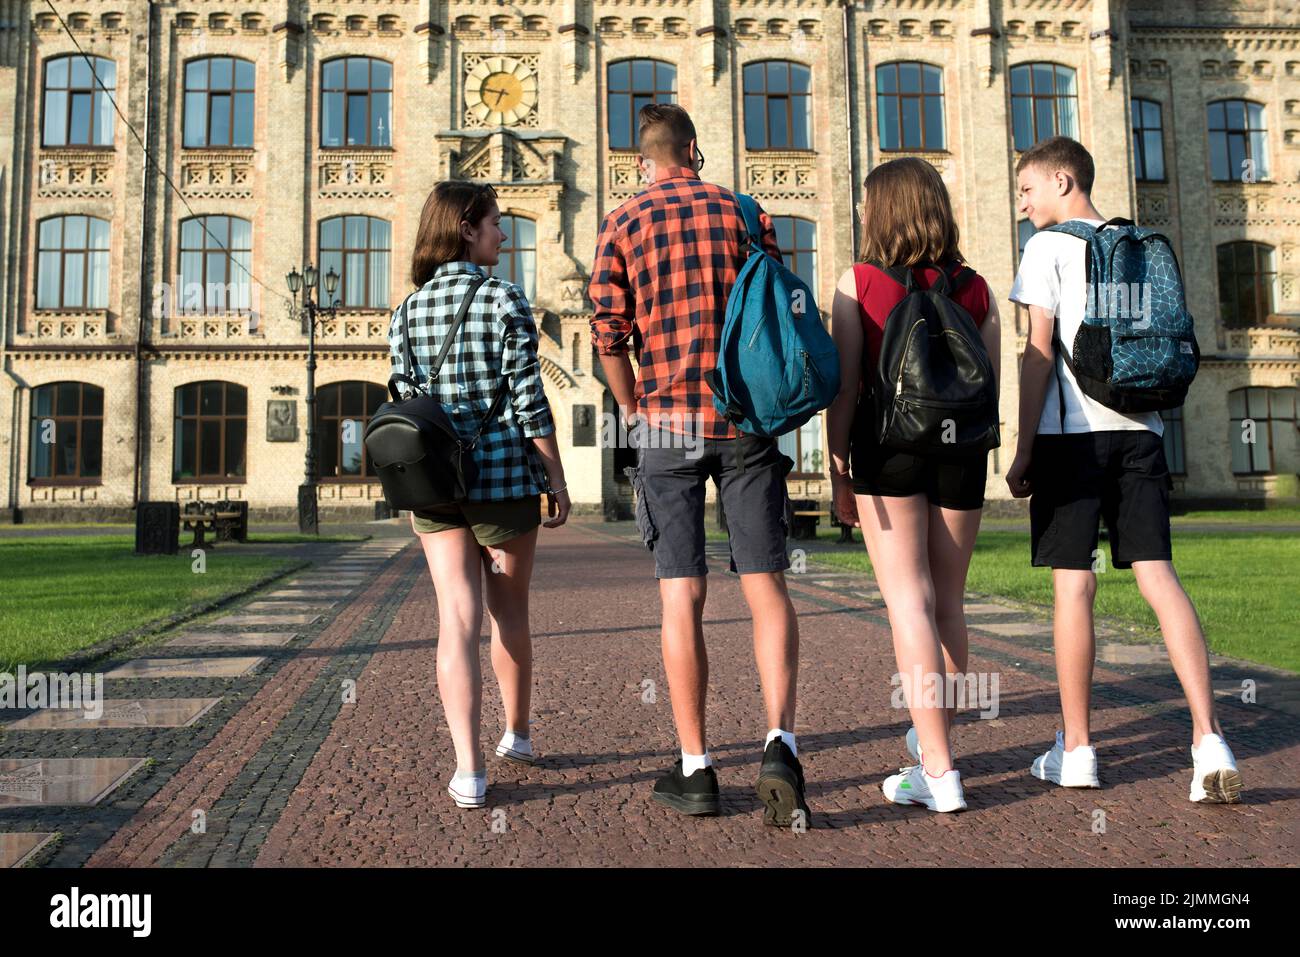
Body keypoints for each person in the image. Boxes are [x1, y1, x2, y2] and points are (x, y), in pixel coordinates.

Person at [587, 104, 809, 826]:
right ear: (693, 149)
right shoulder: (747, 211)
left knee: (681, 594)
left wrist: (633, 409)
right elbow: (775, 308)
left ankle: (697, 767)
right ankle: (780, 742)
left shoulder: (622, 223)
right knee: (766, 584)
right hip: (745, 418)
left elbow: (609, 334)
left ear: (642, 160)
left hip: (669, 425)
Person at [1007, 136, 1242, 803]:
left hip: (1071, 438)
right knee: (1159, 578)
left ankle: (1077, 749)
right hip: (1142, 432)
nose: (1022, 204)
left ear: (1062, 180)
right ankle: (1209, 737)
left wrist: (1023, 448)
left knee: (1073, 587)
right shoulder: (1135, 246)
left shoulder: (1046, 249)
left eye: (1027, 189)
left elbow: (1037, 353)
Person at [826, 157, 1002, 813]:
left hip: (888, 447)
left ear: (881, 211)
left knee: (908, 600)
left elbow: (847, 387)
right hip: (963, 450)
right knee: (949, 600)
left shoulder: (861, 282)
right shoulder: (977, 287)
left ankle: (938, 767)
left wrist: (839, 463)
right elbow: (992, 386)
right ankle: (937, 747)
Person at [391, 180, 571, 810]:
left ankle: (468, 772)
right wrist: (556, 476)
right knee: (510, 612)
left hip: (434, 486)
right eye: (496, 222)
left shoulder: (406, 311)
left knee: (455, 621)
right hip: (501, 480)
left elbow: (404, 396)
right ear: (467, 227)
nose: (504, 233)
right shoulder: (503, 299)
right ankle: (516, 734)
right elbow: (529, 399)